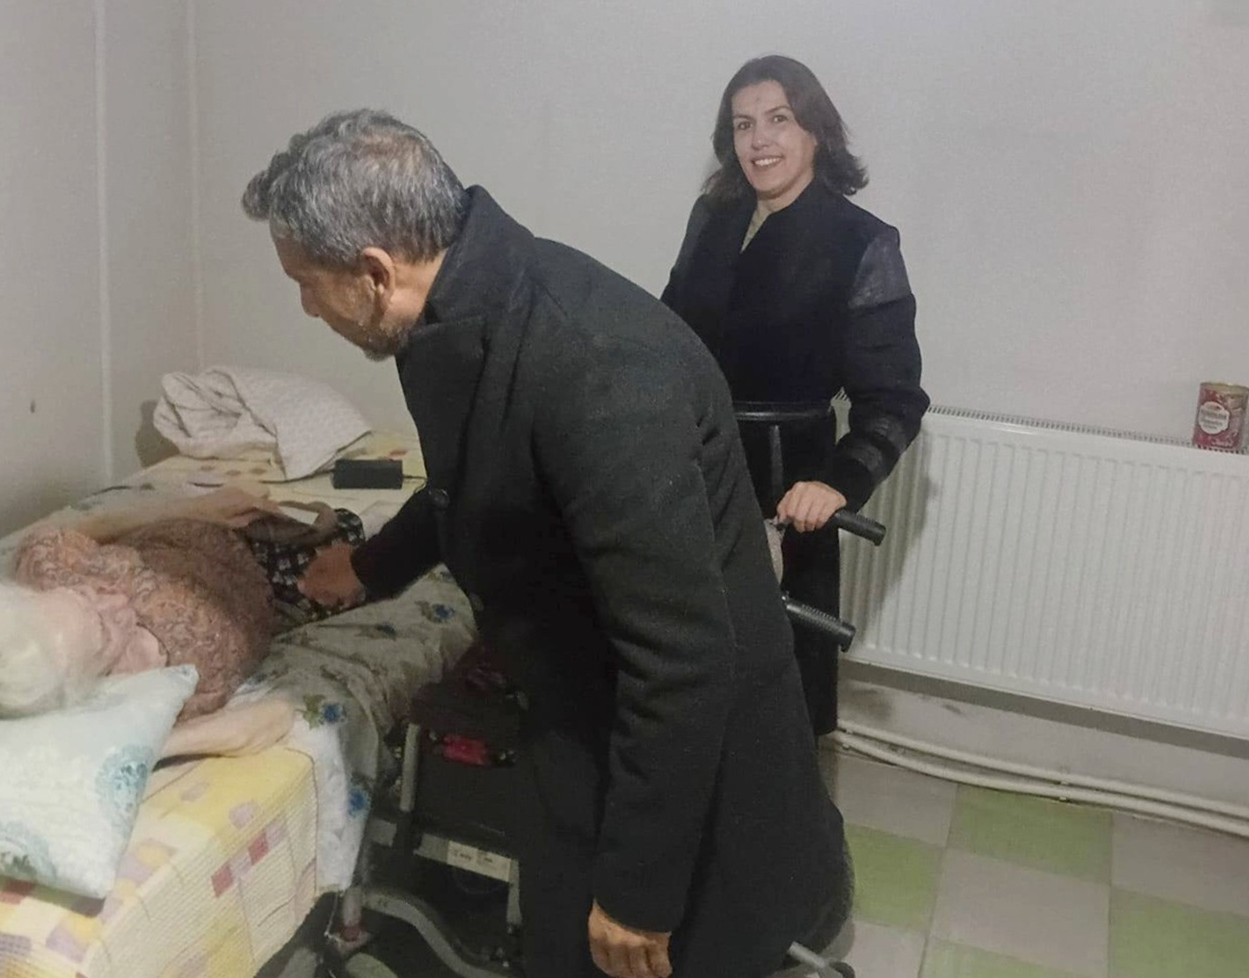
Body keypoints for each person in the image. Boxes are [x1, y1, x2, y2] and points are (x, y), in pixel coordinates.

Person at [244, 109, 849, 978]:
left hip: (678, 759)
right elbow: (476, 478)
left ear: (375, 273)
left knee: (646, 951)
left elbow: (683, 662)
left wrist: (638, 891)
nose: (306, 306)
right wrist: (371, 566)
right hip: (575, 706)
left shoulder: (595, 366)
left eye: (306, 283)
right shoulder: (454, 313)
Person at [662, 55, 930, 737]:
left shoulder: (862, 242)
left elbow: (895, 400)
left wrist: (837, 484)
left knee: (774, 702)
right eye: (743, 124)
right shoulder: (712, 217)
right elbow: (669, 334)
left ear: (815, 130)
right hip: (688, 469)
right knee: (679, 677)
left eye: (778, 119)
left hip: (787, 486)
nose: (760, 140)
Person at [0, 487, 328, 757]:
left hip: (189, 524)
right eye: (105, 631)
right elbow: (275, 714)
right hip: (262, 567)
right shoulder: (173, 681)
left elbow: (48, 538)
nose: (114, 599)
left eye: (83, 594)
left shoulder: (46, 577)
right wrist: (150, 747)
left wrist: (191, 508)